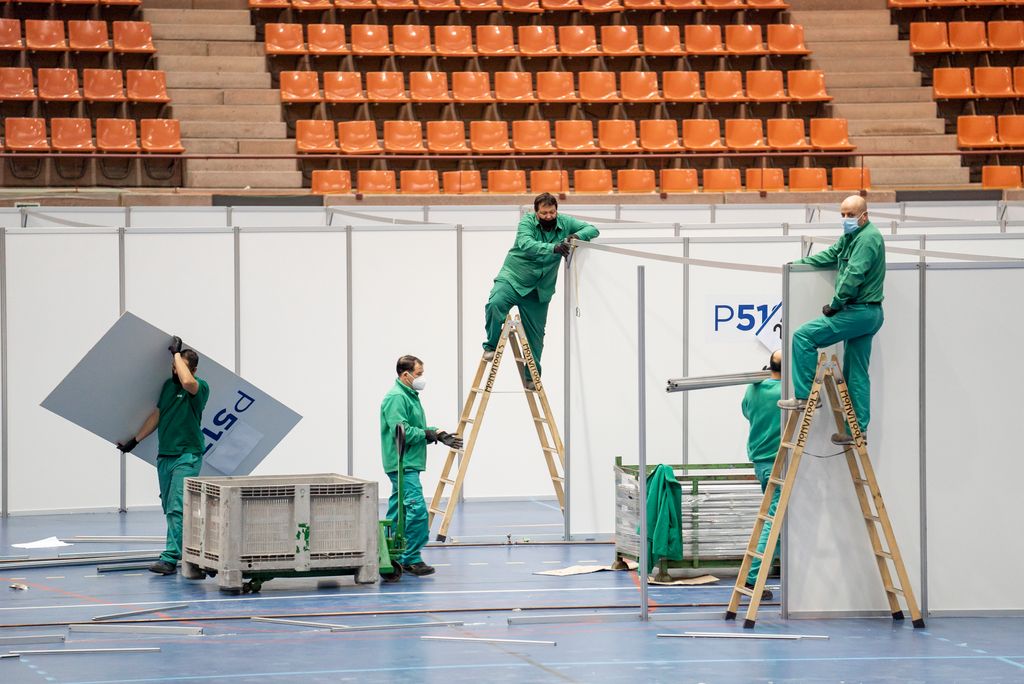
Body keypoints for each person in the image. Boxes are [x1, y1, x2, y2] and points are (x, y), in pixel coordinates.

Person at [777, 195, 885, 445]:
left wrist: (835, 304)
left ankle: (805, 397)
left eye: (850, 215)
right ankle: (856, 430)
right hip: (867, 314)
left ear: (864, 216)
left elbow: (854, 274)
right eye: (843, 214)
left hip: (858, 311)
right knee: (856, 372)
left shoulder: (868, 238)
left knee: (803, 336)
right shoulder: (852, 237)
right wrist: (799, 265)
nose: (846, 219)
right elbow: (831, 255)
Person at [483, 193, 600, 388]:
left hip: (539, 289)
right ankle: (492, 345)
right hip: (513, 278)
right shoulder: (526, 222)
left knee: (536, 336)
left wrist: (576, 236)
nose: (548, 216)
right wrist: (554, 248)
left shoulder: (565, 222)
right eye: (544, 213)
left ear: (557, 210)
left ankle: (532, 377)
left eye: (552, 212)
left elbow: (593, 229)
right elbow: (526, 244)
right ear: (536, 212)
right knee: (495, 304)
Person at [117, 336, 210, 576]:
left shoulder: (200, 387)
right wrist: (135, 440)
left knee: (178, 507)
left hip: (187, 456)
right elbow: (158, 415)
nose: (176, 372)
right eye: (173, 367)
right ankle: (194, 556)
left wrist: (176, 355)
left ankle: (169, 559)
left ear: (193, 369)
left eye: (179, 367)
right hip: (165, 456)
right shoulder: (168, 388)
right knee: (170, 507)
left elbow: (188, 381)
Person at [380, 355, 463, 577]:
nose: (421, 378)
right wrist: (429, 434)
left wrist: (438, 434)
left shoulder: (409, 395)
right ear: (405, 375)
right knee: (417, 511)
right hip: (402, 463)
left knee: (399, 511)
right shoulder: (397, 397)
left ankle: (391, 554)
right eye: (418, 374)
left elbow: (416, 428)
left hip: (406, 462)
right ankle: (411, 558)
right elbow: (403, 431)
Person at [742, 350, 782, 600]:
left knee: (773, 519)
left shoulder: (752, 389)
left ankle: (757, 573)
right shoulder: (787, 393)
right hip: (779, 463)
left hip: (761, 461)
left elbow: (747, 413)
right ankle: (753, 578)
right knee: (773, 522)